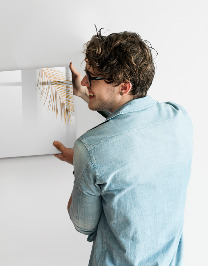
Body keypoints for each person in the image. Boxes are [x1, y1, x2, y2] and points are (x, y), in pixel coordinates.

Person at [53, 30, 193, 265]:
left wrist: (81, 162)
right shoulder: (179, 118)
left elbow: (83, 224)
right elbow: (132, 123)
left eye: (92, 77)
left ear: (124, 87)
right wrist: (86, 94)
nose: (85, 81)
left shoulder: (90, 149)